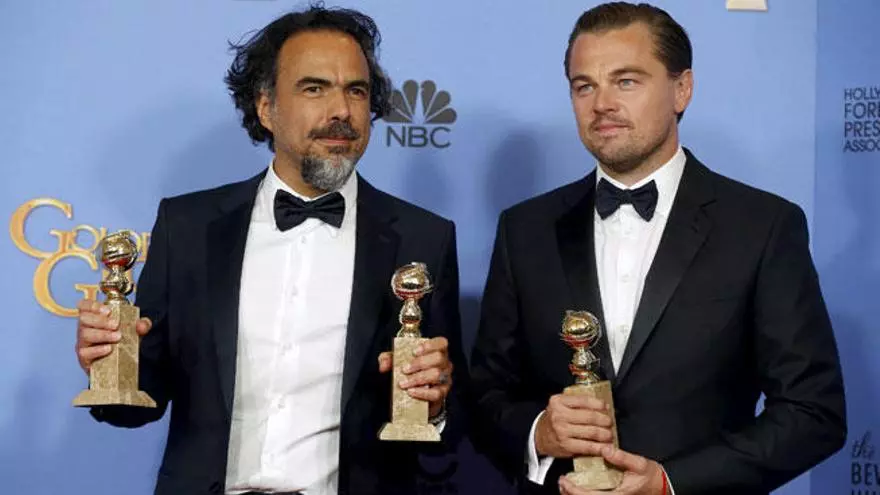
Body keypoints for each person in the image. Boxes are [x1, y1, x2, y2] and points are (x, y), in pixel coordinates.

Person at [74, 6, 466, 495]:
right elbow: (137, 403)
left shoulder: (423, 238)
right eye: (314, 88)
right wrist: (108, 364)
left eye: (356, 91)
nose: (341, 111)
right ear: (266, 108)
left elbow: (451, 423)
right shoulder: (188, 228)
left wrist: (435, 405)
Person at [468, 3, 846, 494]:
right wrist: (538, 433)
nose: (601, 103)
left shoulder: (762, 227)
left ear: (682, 89)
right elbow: (485, 397)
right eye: (584, 86)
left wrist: (671, 483)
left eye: (626, 81)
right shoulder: (525, 230)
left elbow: (812, 412)